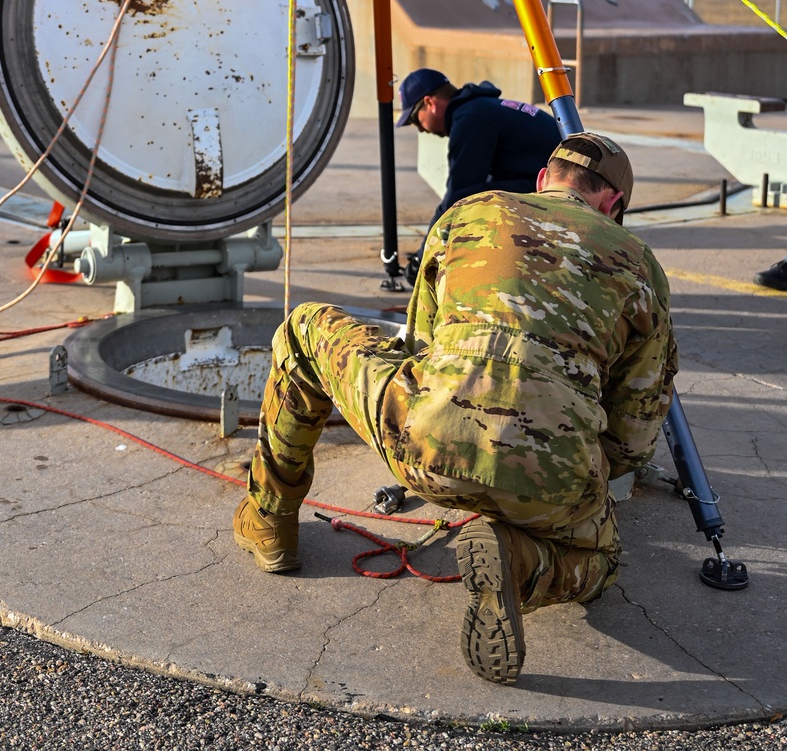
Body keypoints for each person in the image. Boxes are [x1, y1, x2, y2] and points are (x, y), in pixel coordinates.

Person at [233, 132, 677, 686]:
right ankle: (520, 562)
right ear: (613, 205)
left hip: (425, 447)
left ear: (544, 179)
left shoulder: (470, 214)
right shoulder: (641, 266)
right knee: (602, 561)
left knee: (304, 329)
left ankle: (270, 521)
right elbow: (634, 439)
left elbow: (420, 348)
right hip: (553, 482)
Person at [387, 67, 561, 287]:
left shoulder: (471, 118)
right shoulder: (481, 108)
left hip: (554, 190)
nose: (420, 129)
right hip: (555, 182)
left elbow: (457, 199)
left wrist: (422, 260)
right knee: (478, 196)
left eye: (415, 119)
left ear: (430, 103)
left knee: (472, 202)